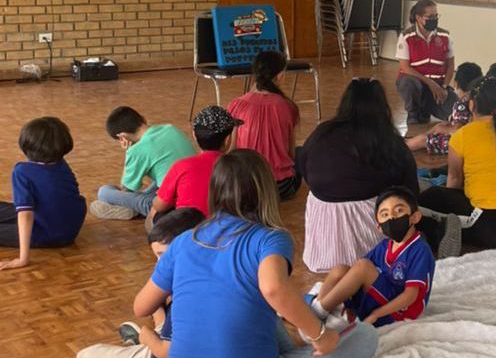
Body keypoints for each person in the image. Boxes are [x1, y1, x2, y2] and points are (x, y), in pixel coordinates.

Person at [132, 150, 378, 358]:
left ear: (214, 191)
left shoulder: (184, 240)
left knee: (258, 307)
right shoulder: (269, 238)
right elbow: (273, 288)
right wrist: (320, 335)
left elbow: (141, 306)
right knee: (366, 335)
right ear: (266, 191)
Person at [298, 78, 459, 272]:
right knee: (405, 207)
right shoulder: (389, 142)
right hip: (371, 232)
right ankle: (434, 234)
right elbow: (410, 194)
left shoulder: (322, 132)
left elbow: (303, 167)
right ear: (383, 107)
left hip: (324, 236)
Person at [75, 208, 205, 358]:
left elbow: (167, 352)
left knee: (86, 356)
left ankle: (137, 344)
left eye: (163, 256)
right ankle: (145, 341)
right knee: (159, 310)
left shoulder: (185, 293)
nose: (159, 264)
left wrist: (148, 338)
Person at [419, 77, 496, 249]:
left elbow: (454, 181)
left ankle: (443, 231)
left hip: (491, 228)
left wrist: (449, 203)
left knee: (428, 199)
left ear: (471, 104)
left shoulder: (462, 135)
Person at [306, 187, 435, 328]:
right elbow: (355, 275)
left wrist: (377, 314)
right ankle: (319, 306)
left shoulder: (420, 250)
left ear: (415, 217)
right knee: (340, 269)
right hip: (383, 295)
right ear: (379, 227)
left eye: (398, 210)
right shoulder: (384, 245)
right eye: (385, 214)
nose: (391, 218)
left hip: (401, 310)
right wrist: (349, 303)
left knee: (363, 266)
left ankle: (316, 314)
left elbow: (410, 296)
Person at [0, 117, 86, 270]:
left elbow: (25, 214)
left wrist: (22, 259)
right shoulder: (61, 162)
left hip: (50, 234)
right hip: (68, 225)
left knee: (21, 211)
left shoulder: (22, 171)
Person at [92, 107, 195, 220]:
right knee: (162, 177)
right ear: (143, 119)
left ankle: (136, 209)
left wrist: (128, 152)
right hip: (197, 190)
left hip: (171, 205)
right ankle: (133, 208)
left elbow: (127, 189)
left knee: (104, 192)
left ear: (122, 137)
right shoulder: (170, 128)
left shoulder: (137, 150)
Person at [148, 106, 243, 226]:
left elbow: (160, 206)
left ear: (194, 136)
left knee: (154, 211)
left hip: (187, 230)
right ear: (228, 140)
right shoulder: (241, 167)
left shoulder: (182, 166)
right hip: (227, 228)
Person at [228, 50, 301, 201]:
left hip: (245, 186)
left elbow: (232, 149)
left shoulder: (236, 105)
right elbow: (291, 152)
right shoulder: (288, 107)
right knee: (302, 153)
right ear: (280, 75)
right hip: (281, 187)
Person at [396, 0, 456, 124]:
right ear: (418, 18)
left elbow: (451, 65)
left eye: (436, 16)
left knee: (454, 108)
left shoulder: (445, 36)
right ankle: (413, 113)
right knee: (408, 83)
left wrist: (444, 87)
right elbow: (405, 67)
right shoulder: (406, 37)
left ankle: (426, 108)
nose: (434, 19)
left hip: (439, 84)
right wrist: (430, 83)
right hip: (416, 82)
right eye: (430, 16)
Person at [406, 62, 482, 156]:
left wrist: (443, 130)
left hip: (458, 143)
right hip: (473, 137)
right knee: (440, 125)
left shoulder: (461, 104)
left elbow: (457, 129)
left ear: (456, 84)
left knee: (424, 140)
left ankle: (406, 146)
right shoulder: (478, 99)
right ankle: (415, 139)